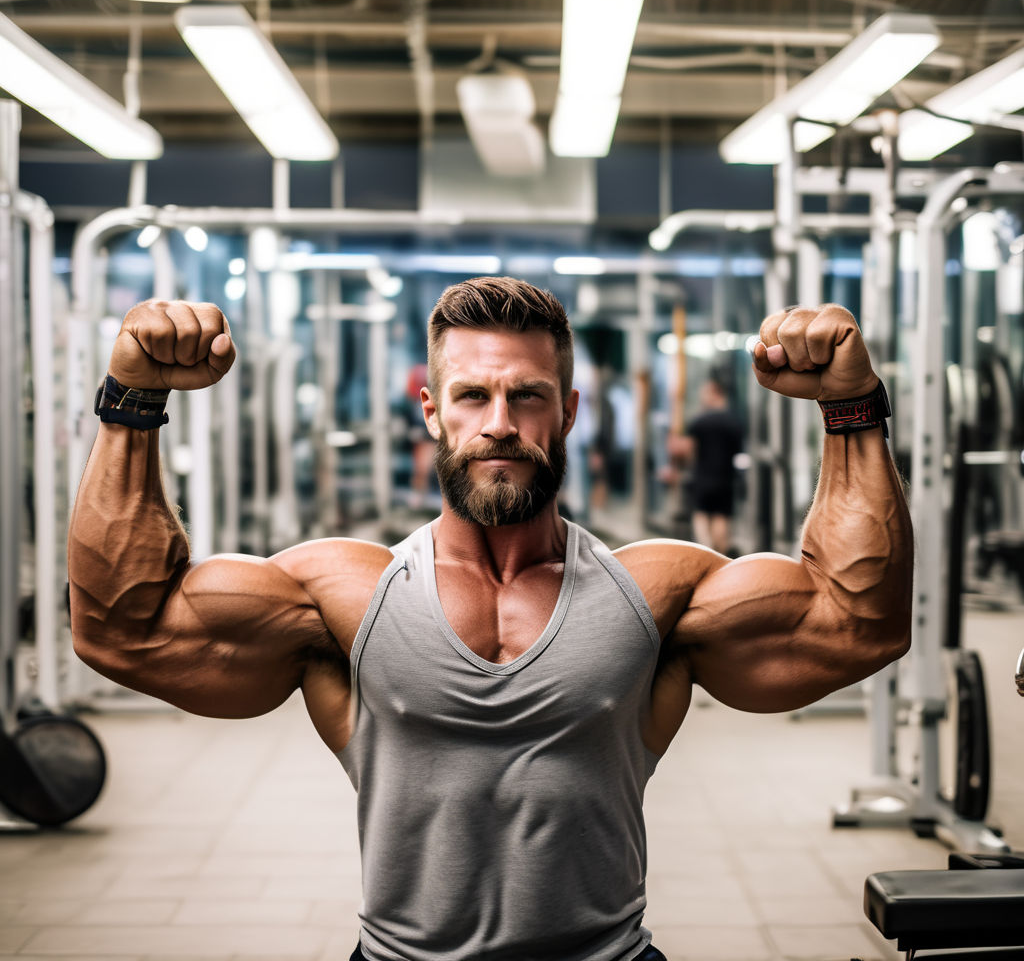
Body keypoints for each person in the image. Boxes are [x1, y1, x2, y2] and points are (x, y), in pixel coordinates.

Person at [69, 278, 912, 961]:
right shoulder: (342, 595)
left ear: (570, 411)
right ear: (432, 410)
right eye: (472, 395)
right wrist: (132, 402)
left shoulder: (654, 593)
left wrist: (852, 408)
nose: (500, 423)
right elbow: (123, 629)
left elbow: (857, 624)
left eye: (528, 396)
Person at [667, 377, 745, 555]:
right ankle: (722, 556)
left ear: (714, 393)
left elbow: (687, 451)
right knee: (721, 518)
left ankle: (707, 552)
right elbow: (739, 453)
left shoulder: (699, 421)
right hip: (726, 479)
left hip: (703, 478)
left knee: (701, 516)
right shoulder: (735, 422)